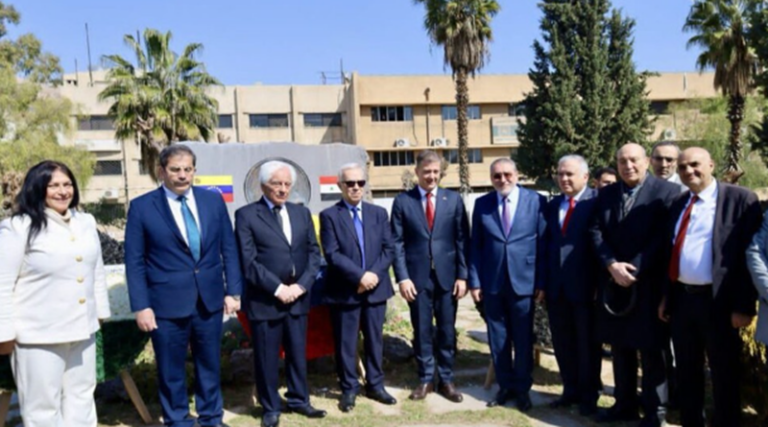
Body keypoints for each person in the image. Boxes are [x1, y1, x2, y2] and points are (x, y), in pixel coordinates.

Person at [125, 145, 242, 427]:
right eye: (175, 169)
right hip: (165, 303)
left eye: (188, 169)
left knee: (209, 364)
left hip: (208, 300)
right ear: (161, 171)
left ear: (194, 171)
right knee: (170, 369)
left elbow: (229, 247)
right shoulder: (142, 207)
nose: (182, 175)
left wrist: (233, 291)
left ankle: (211, 417)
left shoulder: (213, 201)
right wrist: (141, 306)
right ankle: (177, 420)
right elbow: (135, 262)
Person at [0, 160, 110, 427]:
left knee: (82, 398)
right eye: (54, 186)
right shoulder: (18, 227)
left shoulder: (85, 222)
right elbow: (2, 283)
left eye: (67, 184)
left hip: (82, 329)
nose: (63, 191)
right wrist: (4, 333)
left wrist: (100, 313)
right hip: (38, 334)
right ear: (38, 189)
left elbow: (96, 270)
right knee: (42, 408)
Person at [663, 147, 761, 427]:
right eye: (683, 167)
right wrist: (666, 298)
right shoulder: (678, 203)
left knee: (724, 371)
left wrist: (743, 306)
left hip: (720, 302)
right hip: (683, 300)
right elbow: (669, 252)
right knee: (686, 370)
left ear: (712, 165)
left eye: (695, 164)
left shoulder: (740, 200)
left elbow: (748, 257)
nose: (688, 171)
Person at [589, 143, 680, 427]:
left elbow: (664, 237)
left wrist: (634, 267)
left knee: (652, 350)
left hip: (649, 283)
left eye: (633, 160)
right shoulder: (606, 194)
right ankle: (624, 404)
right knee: (620, 347)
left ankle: (655, 411)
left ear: (646, 161)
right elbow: (595, 230)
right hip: (614, 282)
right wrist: (611, 264)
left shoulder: (668, 192)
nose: (628, 166)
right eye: (622, 161)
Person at [235, 160, 325, 427]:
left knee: (298, 353)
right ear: (263, 185)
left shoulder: (301, 213)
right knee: (266, 357)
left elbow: (314, 254)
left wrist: (301, 286)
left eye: (287, 184)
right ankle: (270, 407)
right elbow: (248, 261)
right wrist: (278, 288)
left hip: (298, 298)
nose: (283, 189)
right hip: (265, 300)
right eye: (277, 184)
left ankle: (299, 400)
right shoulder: (246, 215)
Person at [391, 150, 470, 403]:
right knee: (422, 329)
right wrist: (402, 278)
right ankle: (425, 378)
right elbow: (396, 243)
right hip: (417, 279)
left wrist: (463, 276)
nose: (431, 176)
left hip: (448, 278)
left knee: (447, 330)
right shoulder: (403, 202)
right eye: (427, 172)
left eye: (436, 172)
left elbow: (462, 240)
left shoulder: (453, 200)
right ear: (417, 172)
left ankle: (446, 379)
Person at [469, 158, 546, 412]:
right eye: (497, 176)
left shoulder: (536, 201)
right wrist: (475, 281)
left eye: (507, 174)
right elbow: (476, 245)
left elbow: (543, 244)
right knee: (498, 337)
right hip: (492, 282)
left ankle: (522, 390)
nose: (503, 180)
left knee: (523, 339)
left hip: (525, 281)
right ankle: (504, 386)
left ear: (517, 174)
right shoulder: (482, 204)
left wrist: (541, 281)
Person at [319, 163, 397, 412]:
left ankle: (375, 385)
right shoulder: (330, 215)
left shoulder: (379, 213)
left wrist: (372, 276)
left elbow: (389, 249)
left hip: (376, 289)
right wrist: (359, 277)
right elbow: (332, 253)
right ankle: (349, 388)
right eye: (350, 183)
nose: (355, 187)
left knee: (375, 341)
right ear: (340, 185)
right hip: (345, 291)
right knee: (346, 343)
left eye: (360, 183)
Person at [543, 155, 601, 416]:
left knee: (587, 345)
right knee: (563, 342)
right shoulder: (553, 205)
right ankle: (570, 391)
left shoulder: (596, 202)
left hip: (586, 288)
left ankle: (589, 396)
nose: (564, 178)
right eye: (560, 174)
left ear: (585, 177)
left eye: (569, 174)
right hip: (557, 288)